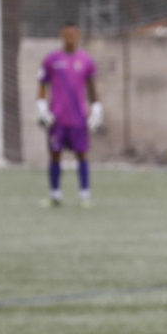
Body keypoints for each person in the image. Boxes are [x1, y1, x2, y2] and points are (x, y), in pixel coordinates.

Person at [36, 23, 103, 208]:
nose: (70, 38)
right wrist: (41, 108)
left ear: (79, 36)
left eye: (73, 35)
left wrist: (97, 109)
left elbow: (92, 88)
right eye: (66, 35)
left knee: (82, 155)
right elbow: (42, 85)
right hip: (57, 119)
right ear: (61, 35)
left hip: (78, 118)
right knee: (55, 155)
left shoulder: (87, 61)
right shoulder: (51, 60)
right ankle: (55, 195)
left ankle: (84, 195)